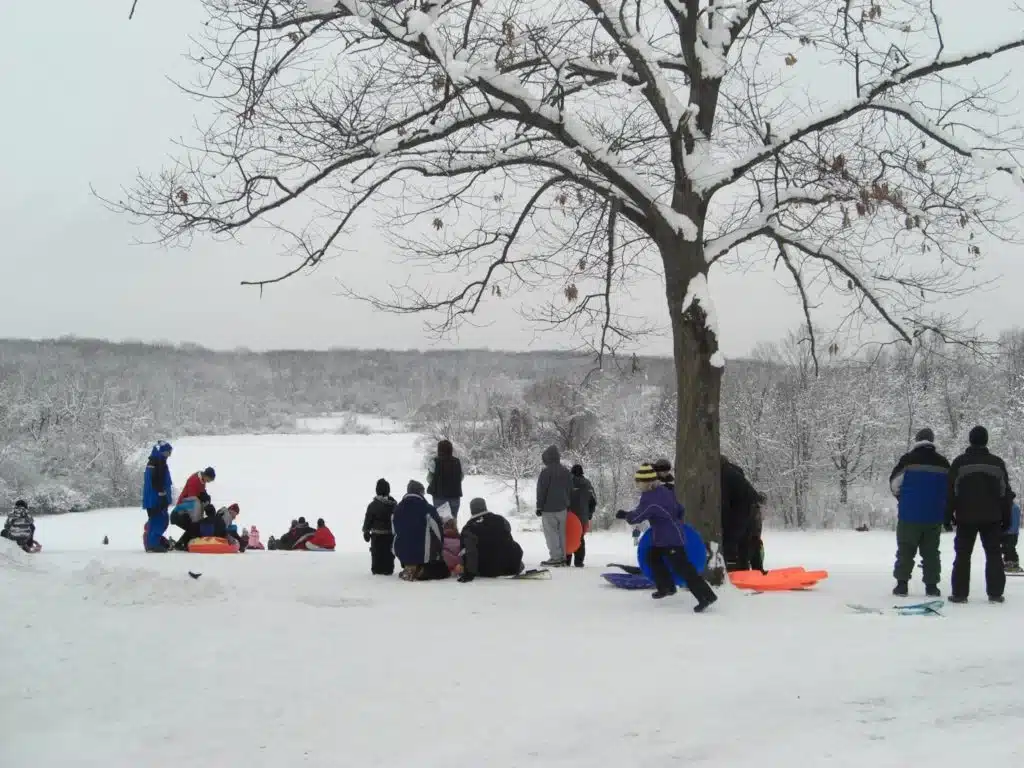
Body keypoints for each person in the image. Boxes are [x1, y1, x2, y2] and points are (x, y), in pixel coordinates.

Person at [616, 464, 717, 612]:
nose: (637, 485)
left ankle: (706, 596)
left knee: (683, 568)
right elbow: (680, 509)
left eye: (638, 482)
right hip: (668, 535)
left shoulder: (651, 498)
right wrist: (676, 523)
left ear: (646, 482)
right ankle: (666, 587)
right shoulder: (664, 491)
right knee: (653, 556)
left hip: (670, 538)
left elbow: (637, 516)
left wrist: (625, 515)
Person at [946, 426, 1014, 604]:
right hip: (992, 517)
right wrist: (1007, 519)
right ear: (986, 441)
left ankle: (960, 594)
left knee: (962, 554)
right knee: (993, 554)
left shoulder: (960, 463)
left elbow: (951, 492)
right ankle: (995, 593)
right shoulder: (997, 464)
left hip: (965, 516)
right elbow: (1005, 494)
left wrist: (947, 515)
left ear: (970, 440)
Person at [888, 427, 950, 597]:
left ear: (917, 440)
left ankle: (902, 585)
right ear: (932, 440)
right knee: (931, 551)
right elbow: (950, 488)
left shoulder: (908, 460)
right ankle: (932, 586)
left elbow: (894, 484)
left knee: (906, 549)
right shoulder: (943, 463)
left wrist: (903, 498)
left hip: (909, 514)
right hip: (934, 515)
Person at [392, 480, 448, 581]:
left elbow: (394, 531)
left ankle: (410, 567)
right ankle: (420, 571)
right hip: (422, 554)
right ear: (420, 492)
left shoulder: (397, 509)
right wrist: (440, 548)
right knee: (443, 570)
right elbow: (438, 532)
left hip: (401, 551)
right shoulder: (428, 509)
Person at [458, 498, 524, 582]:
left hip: (488, 570)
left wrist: (469, 573)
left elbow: (470, 551)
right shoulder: (500, 519)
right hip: (511, 566)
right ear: (485, 506)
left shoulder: (468, 528)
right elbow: (508, 531)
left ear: (471, 510)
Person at [720, 457, 762, 572]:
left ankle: (738, 572)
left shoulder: (724, 474)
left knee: (733, 544)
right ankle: (753, 571)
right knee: (750, 543)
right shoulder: (734, 472)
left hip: (738, 515)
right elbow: (752, 494)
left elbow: (725, 501)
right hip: (750, 512)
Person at [536, 445, 573, 567]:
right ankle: (563, 557)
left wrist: (539, 507)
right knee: (562, 533)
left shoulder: (545, 472)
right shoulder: (566, 471)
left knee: (551, 533)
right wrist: (567, 504)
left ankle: (555, 557)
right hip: (563, 508)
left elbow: (542, 491)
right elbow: (569, 489)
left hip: (548, 508)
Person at [142, 440, 174, 553]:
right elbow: (157, 480)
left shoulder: (153, 461)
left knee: (155, 520)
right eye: (168, 453)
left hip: (151, 499)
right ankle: (153, 544)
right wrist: (162, 494)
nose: (169, 455)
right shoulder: (159, 462)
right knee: (160, 520)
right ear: (163, 452)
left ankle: (152, 542)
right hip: (157, 499)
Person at [364, 479, 397, 575]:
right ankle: (388, 568)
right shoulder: (394, 505)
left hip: (376, 536)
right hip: (390, 536)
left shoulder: (373, 505)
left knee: (377, 560)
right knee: (388, 559)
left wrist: (366, 531)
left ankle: (377, 569)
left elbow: (368, 520)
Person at [566, 464, 597, 567]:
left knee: (567, 537)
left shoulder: (568, 483)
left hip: (569, 517)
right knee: (580, 539)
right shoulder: (588, 484)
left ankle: (566, 561)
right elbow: (593, 501)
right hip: (583, 517)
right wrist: (589, 514)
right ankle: (579, 562)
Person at [427, 439, 464, 522]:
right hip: (455, 496)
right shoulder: (457, 461)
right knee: (452, 524)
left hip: (439, 497)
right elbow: (461, 476)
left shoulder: (435, 462)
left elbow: (429, 478)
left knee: (442, 524)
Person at [1003, 493, 1020, 572]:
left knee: (1010, 547)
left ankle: (1014, 562)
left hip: (1012, 534)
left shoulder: (1015, 508)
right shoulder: (1006, 508)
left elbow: (1015, 523)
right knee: (1005, 547)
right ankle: (1007, 561)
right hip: (1006, 533)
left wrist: (1009, 531)